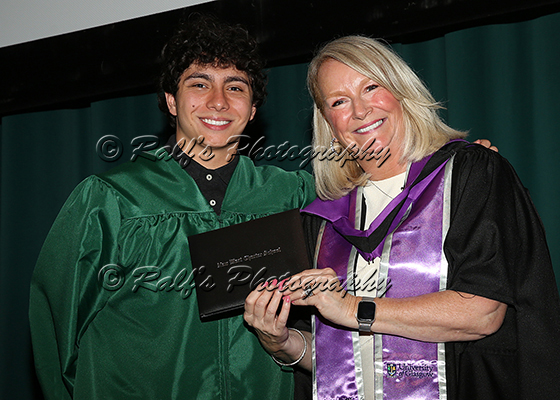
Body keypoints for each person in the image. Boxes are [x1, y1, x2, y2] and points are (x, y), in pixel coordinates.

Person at [244, 35, 560, 400]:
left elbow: (483, 313)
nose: (359, 111)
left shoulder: (469, 176)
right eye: (339, 101)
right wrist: (283, 342)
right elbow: (344, 362)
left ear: (401, 90)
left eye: (371, 87)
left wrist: (351, 308)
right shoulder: (323, 220)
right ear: (328, 123)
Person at [29, 15, 316, 400]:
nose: (218, 101)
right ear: (171, 100)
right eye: (199, 84)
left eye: (235, 87)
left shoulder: (292, 195)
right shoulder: (112, 200)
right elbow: (56, 337)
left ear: (252, 109)